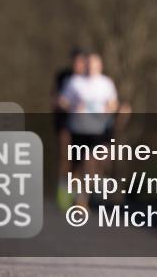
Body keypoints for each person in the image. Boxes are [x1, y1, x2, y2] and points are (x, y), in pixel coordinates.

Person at [59, 51, 119, 208]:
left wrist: (109, 108)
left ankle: (84, 197)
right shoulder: (75, 82)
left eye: (94, 64)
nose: (91, 67)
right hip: (78, 128)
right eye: (89, 64)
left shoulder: (106, 83)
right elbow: (62, 102)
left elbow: (114, 104)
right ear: (84, 65)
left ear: (100, 66)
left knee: (91, 162)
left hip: (98, 129)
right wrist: (73, 106)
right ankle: (76, 195)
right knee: (77, 165)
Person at [52, 46, 87, 210]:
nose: (77, 64)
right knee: (65, 157)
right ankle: (63, 193)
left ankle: (78, 195)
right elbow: (56, 99)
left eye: (80, 61)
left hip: (84, 126)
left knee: (79, 160)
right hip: (65, 123)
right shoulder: (63, 76)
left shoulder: (90, 79)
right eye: (75, 61)